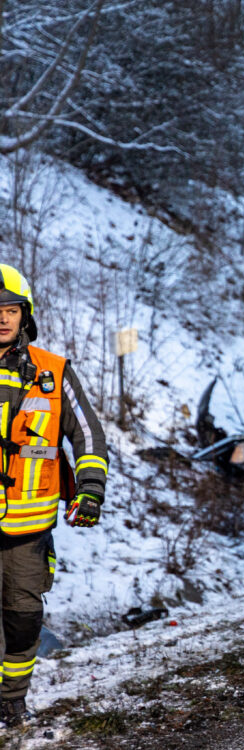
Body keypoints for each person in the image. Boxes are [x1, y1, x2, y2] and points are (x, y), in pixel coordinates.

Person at [0, 265, 108, 725]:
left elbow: (87, 435)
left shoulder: (53, 372)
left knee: (23, 619)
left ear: (25, 315)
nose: (2, 318)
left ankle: (11, 701)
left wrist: (90, 491)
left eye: (10, 309)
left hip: (28, 530)